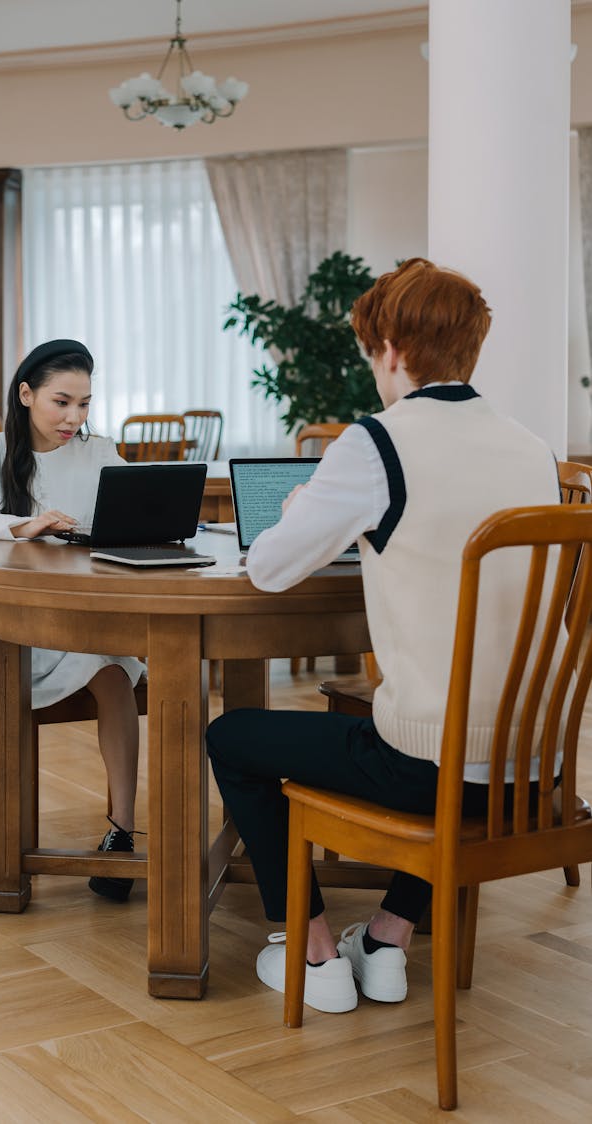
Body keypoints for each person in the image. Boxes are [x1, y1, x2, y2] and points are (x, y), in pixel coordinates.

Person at [206, 258, 562, 1013]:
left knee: (233, 737)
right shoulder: (532, 448)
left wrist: (304, 499)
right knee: (433, 738)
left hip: (431, 771)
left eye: (373, 352)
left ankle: (314, 957)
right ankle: (389, 939)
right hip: (534, 770)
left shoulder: (377, 443)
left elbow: (269, 569)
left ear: (391, 349)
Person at [0, 338, 146, 902]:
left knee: (114, 671)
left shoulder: (100, 451)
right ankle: (8, 847)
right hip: (13, 625)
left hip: (88, 615)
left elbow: (131, 511)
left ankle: (121, 833)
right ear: (27, 393)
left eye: (84, 404)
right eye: (62, 401)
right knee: (108, 664)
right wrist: (23, 526)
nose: (74, 418)